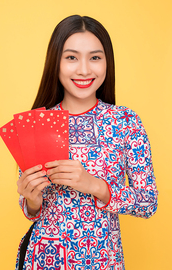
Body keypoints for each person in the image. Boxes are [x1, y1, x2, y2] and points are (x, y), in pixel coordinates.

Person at [15, 15, 158, 270]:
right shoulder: (39, 121)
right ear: (55, 62)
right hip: (44, 258)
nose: (84, 69)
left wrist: (93, 184)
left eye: (95, 57)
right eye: (71, 57)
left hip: (103, 261)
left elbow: (147, 202)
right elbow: (31, 210)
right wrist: (31, 199)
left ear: (107, 62)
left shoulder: (125, 121)